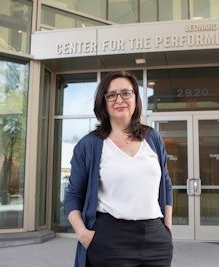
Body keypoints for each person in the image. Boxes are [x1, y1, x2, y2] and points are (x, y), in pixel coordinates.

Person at [64, 70, 174, 267]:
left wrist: (167, 229)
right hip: (110, 239)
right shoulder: (90, 145)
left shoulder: (152, 138)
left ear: (135, 98)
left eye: (126, 92)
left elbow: (166, 184)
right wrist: (84, 235)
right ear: (103, 102)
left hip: (155, 239)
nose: (119, 99)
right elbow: (73, 196)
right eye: (111, 95)